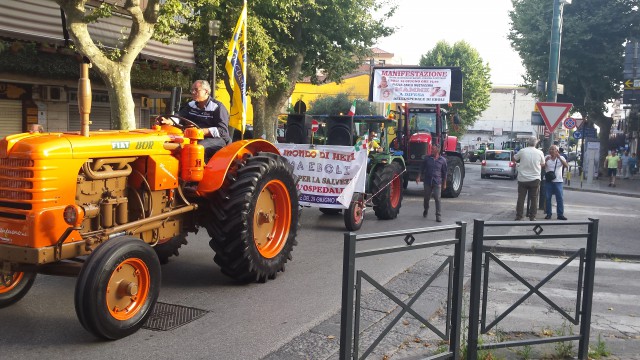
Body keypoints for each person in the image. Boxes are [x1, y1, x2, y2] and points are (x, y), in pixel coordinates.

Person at [161, 80, 231, 162]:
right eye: (192, 90)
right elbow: (180, 115)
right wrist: (170, 121)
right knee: (172, 141)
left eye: (196, 90)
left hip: (216, 139)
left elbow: (223, 131)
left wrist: (202, 131)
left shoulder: (217, 107)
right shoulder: (191, 105)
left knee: (197, 147)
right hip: (193, 136)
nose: (193, 92)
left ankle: (196, 171)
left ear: (206, 91)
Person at [513, 136, 545, 221]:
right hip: (535, 178)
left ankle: (519, 216)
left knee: (521, 198)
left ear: (528, 142)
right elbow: (543, 163)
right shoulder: (540, 152)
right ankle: (532, 216)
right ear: (536, 143)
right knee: (534, 198)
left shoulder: (522, 151)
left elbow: (515, 158)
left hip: (522, 178)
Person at [416, 145, 447, 222]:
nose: (431, 150)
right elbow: (421, 168)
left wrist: (444, 183)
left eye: (433, 149)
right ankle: (426, 209)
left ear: (437, 150)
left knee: (437, 198)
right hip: (427, 181)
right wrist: (418, 177)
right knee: (426, 198)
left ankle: (438, 215)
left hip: (437, 182)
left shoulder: (443, 160)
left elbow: (445, 173)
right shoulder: (427, 158)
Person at [544, 145, 568, 220]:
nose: (551, 151)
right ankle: (548, 213)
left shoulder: (561, 157)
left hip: (558, 180)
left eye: (553, 149)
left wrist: (559, 158)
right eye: (550, 149)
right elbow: (541, 167)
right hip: (548, 181)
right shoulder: (546, 157)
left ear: (557, 151)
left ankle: (560, 214)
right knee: (548, 198)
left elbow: (566, 166)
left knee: (559, 198)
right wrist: (545, 161)